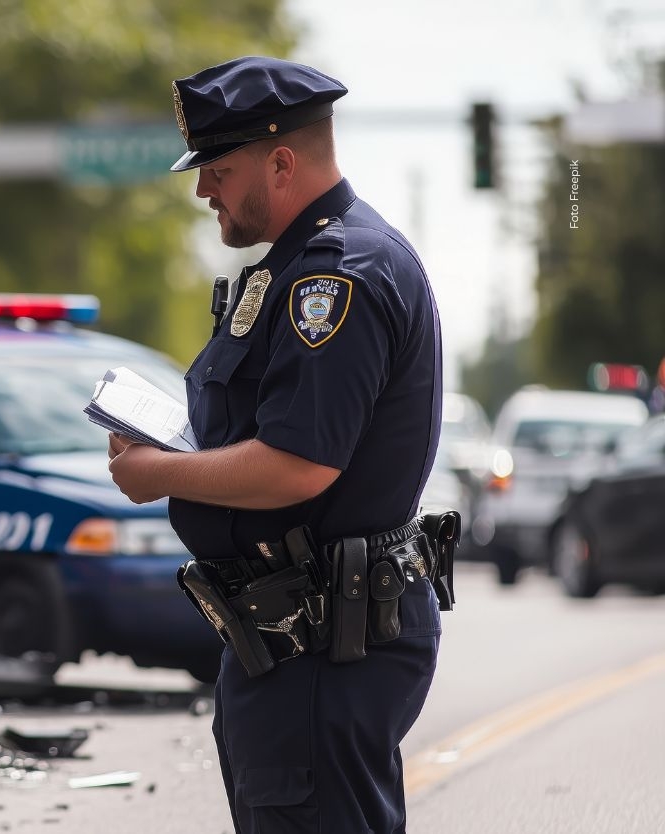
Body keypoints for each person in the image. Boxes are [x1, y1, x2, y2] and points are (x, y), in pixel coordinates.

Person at [107, 57, 445, 833]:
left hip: (323, 645)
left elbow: (300, 464)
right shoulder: (292, 270)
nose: (202, 190)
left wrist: (158, 472)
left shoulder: (337, 278)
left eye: (218, 170)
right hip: (289, 643)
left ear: (282, 162)